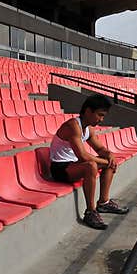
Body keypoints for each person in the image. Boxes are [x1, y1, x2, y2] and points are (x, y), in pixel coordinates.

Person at [48, 94, 129, 229]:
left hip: (73, 165)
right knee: (91, 165)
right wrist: (105, 161)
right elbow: (83, 157)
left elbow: (100, 148)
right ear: (88, 111)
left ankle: (103, 202)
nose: (101, 119)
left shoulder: (89, 128)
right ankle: (90, 212)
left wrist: (109, 155)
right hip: (60, 168)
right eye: (99, 115)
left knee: (109, 161)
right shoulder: (73, 126)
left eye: (103, 116)